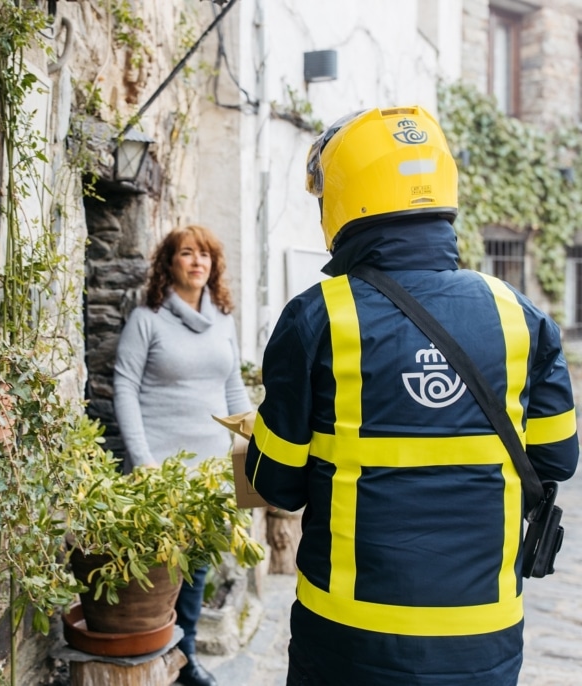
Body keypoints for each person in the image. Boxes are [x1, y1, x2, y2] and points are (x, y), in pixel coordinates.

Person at [245, 105, 579, 685]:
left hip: (349, 641)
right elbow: (557, 460)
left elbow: (276, 485)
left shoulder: (318, 317)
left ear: (344, 201)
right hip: (484, 640)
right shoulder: (520, 317)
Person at [114, 224, 251, 686]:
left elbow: (233, 389)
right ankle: (155, 658)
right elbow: (125, 389)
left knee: (195, 569)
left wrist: (247, 467)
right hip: (159, 469)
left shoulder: (224, 320)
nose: (197, 262)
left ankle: (186, 657)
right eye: (186, 254)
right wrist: (143, 459)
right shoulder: (146, 319)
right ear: (168, 264)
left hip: (210, 472)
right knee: (157, 572)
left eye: (205, 255)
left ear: (213, 267)